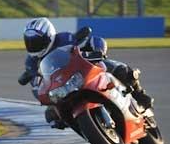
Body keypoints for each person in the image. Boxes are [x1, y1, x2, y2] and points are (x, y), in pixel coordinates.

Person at [18, 17, 153, 128]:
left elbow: (93, 41)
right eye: (28, 42)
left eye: (36, 41)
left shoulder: (65, 39)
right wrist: (45, 97)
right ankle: (83, 127)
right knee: (51, 115)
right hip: (62, 88)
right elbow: (37, 87)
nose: (32, 45)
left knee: (118, 68)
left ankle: (140, 94)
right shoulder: (31, 63)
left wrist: (98, 51)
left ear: (48, 36)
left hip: (83, 72)